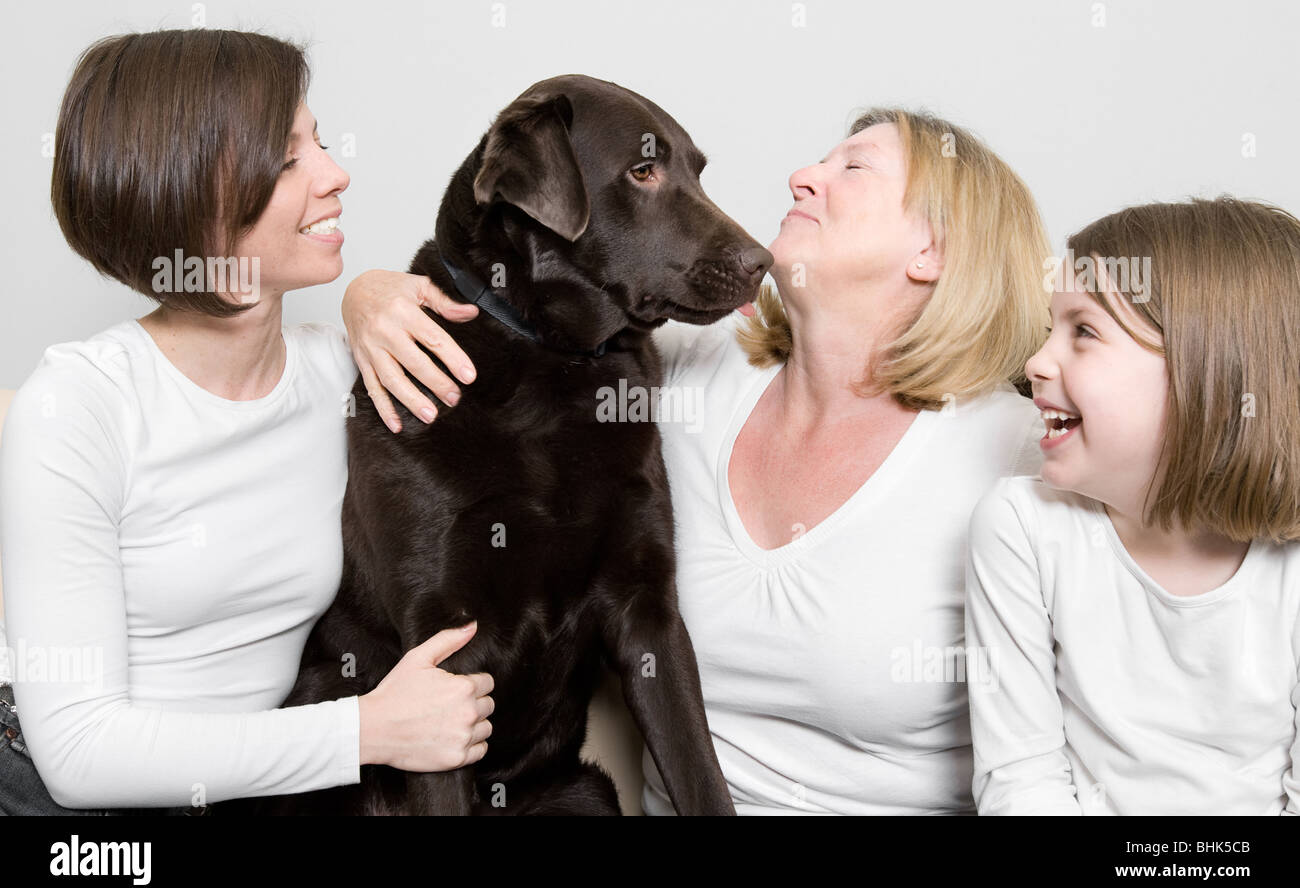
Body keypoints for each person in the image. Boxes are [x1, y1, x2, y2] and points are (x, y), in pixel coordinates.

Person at [343, 107, 1051, 814]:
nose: (801, 177)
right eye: (818, 160)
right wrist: (366, 297)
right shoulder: (689, 377)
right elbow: (537, 318)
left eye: (853, 167)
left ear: (934, 248)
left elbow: (1054, 756)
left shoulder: (1015, 450)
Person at [0, 28, 494, 815]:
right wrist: (365, 731)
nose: (337, 174)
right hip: (62, 809)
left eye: (321, 141)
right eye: (290, 156)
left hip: (251, 792)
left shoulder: (343, 374)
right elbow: (82, 755)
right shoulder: (78, 406)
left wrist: (371, 291)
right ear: (189, 189)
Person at [965, 197, 1300, 815]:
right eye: (1049, 329)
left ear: (1212, 374)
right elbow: (1020, 780)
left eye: (1083, 331)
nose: (1037, 362)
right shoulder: (1020, 526)